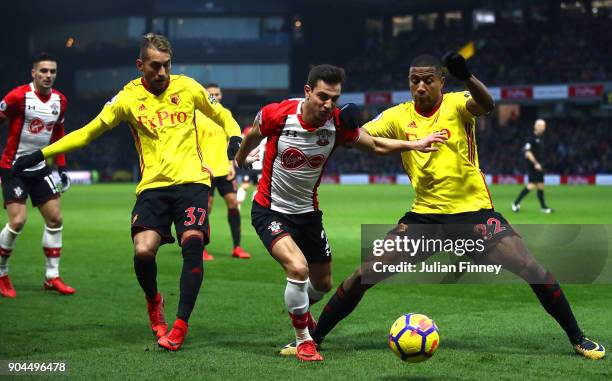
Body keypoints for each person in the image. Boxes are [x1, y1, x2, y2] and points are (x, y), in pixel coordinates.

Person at [282, 53, 604, 360]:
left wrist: (467, 76)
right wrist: (347, 122)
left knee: (532, 269)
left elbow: (486, 104)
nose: (420, 87)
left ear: (441, 83)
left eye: (427, 80)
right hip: (424, 219)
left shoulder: (456, 103)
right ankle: (313, 339)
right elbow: (364, 137)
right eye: (414, 81)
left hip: (475, 214)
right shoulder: (398, 115)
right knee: (363, 274)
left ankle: (578, 338)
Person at [12, 34, 243, 351]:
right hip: (152, 187)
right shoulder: (126, 99)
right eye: (155, 66)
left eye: (166, 65)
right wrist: (40, 155)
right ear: (140, 65)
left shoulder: (189, 87)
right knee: (143, 251)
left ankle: (179, 325)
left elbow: (223, 114)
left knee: (192, 243)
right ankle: (154, 301)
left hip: (192, 183)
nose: (162, 72)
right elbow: (87, 133)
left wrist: (233, 136)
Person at [234, 64, 447, 361]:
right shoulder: (279, 114)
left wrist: (415, 144)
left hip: (308, 213)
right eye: (322, 96)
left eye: (334, 98)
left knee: (322, 283)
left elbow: (374, 145)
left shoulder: (337, 123)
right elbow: (254, 133)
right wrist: (242, 158)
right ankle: (304, 340)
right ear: (307, 91)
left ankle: (300, 310)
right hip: (270, 209)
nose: (328, 104)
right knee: (297, 269)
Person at [0, 53, 74, 298]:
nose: (48, 75)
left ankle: (52, 277)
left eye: (52, 71)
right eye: (43, 71)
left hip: (40, 168)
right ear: (33, 73)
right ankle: (1, 273)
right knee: (18, 221)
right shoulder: (18, 96)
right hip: (14, 168)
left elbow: (59, 135)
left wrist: (62, 168)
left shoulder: (60, 101)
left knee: (55, 219)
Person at [198, 83, 250, 261]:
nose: (214, 96)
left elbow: (231, 140)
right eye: (210, 94)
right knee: (206, 209)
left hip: (224, 169)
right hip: (205, 171)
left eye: (217, 94)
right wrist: (201, 164)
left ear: (221, 95)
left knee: (234, 204)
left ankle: (237, 247)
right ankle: (201, 248)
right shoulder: (196, 114)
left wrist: (230, 164)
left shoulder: (225, 114)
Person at [512, 119, 552, 213]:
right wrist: (536, 163)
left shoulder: (541, 138)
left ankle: (543, 207)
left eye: (544, 126)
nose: (543, 128)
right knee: (531, 185)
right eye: (541, 126)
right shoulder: (530, 138)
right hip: (533, 166)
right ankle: (515, 203)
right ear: (536, 126)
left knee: (541, 185)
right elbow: (527, 153)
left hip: (539, 166)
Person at [236, 125, 265, 210]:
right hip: (250, 166)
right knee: (249, 186)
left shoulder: (261, 136)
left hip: (257, 166)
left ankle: (252, 206)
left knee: (255, 186)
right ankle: (238, 207)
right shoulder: (262, 135)